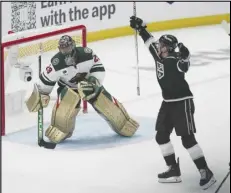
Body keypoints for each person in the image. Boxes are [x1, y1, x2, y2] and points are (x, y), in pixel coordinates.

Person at [129, 16, 216, 190]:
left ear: (167, 48)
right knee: (161, 135)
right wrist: (141, 28)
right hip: (168, 102)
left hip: (182, 102)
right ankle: (173, 169)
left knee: (187, 139)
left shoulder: (176, 59)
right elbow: (149, 42)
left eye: (162, 45)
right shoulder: (159, 55)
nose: (158, 47)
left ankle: (206, 171)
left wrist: (186, 56)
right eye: (159, 45)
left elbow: (184, 64)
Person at [26, 35, 139, 144]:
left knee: (103, 100)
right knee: (68, 101)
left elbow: (98, 67)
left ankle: (123, 122)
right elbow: (46, 80)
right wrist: (41, 94)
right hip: (69, 88)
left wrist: (93, 82)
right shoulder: (56, 63)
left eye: (68, 48)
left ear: (74, 46)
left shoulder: (87, 53)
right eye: (63, 49)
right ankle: (60, 128)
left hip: (89, 85)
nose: (66, 52)